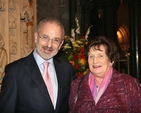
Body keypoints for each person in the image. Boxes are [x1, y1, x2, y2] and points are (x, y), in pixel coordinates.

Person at [0, 17, 76, 113]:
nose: (49, 45)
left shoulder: (66, 69)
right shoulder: (15, 71)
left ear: (61, 44)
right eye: (45, 37)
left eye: (55, 40)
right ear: (36, 37)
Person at [69, 36, 141, 113]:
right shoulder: (76, 85)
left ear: (111, 60)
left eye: (100, 56)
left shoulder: (129, 84)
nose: (95, 61)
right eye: (91, 56)